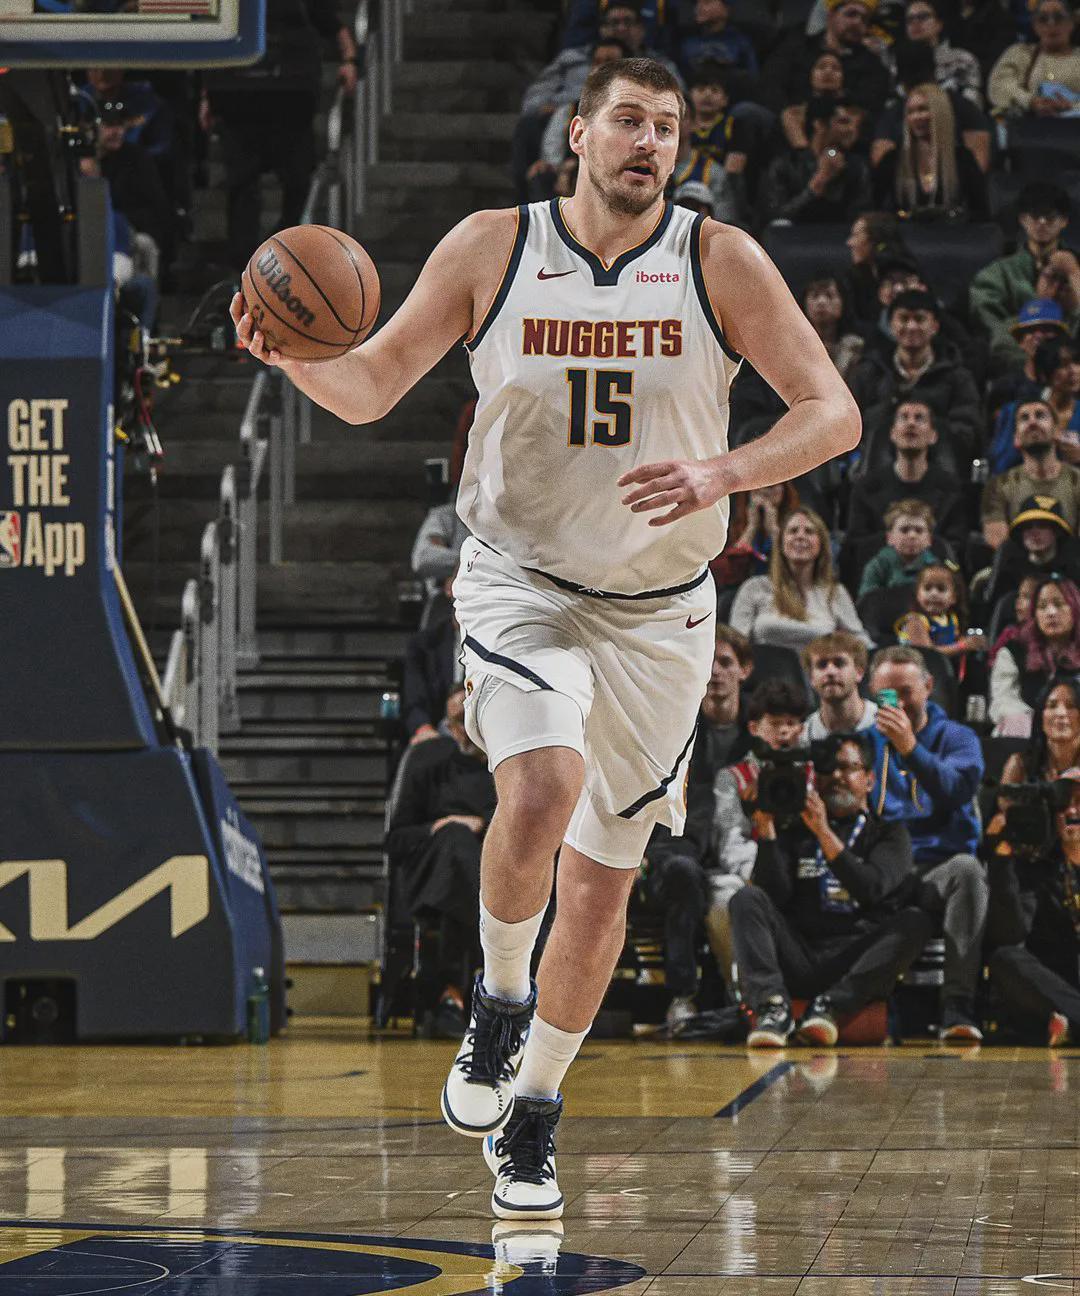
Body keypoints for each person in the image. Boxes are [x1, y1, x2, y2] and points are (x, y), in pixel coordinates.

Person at [233, 55, 860, 1219]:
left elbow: (834, 412)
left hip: (661, 615)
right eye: (629, 120)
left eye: (668, 127)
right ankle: (500, 1001)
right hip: (521, 581)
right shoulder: (493, 246)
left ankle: (535, 1110)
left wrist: (725, 470)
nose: (650, 142)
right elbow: (370, 387)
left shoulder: (718, 259)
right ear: (578, 133)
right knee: (541, 785)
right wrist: (294, 356)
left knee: (604, 884)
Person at [730, 732, 933, 1047]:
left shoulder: (889, 833)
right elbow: (774, 895)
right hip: (801, 953)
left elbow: (871, 888)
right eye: (828, 769)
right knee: (747, 898)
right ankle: (772, 1007)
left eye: (848, 768)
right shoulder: (794, 829)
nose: (837, 776)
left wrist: (823, 832)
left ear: (869, 780)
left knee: (915, 921)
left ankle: (831, 1006)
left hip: (854, 959)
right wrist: (767, 830)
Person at [867, 646, 988, 1039]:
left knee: (968, 871)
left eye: (906, 692)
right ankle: (858, 1004)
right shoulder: (867, 741)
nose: (899, 704)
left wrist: (911, 749)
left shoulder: (959, 737)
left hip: (937, 866)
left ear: (928, 686)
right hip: (885, 870)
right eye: (888, 695)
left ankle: (958, 1007)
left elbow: (955, 789)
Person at [642, 624, 754, 1027]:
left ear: (745, 670)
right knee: (682, 871)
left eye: (725, 662)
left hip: (741, 844)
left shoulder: (762, 728)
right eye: (706, 661)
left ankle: (756, 1000)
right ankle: (682, 995)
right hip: (680, 850)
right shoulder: (674, 727)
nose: (714, 672)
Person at [203, 0, 358, 272]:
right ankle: (244, 266)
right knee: (241, 187)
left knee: (298, 181)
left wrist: (349, 60)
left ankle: (282, 251)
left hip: (291, 103)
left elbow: (332, 24)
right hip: (240, 104)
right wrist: (207, 96)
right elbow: (214, 39)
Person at [385, 686, 499, 1036]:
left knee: (469, 869)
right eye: (458, 721)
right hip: (432, 873)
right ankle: (492, 984)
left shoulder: (509, 771)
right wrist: (438, 827)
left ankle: (453, 995)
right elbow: (396, 840)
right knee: (456, 848)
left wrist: (481, 825)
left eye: (473, 718)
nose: (467, 729)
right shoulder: (426, 763)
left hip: (490, 870)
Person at [987, 758, 1080, 1044]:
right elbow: (1011, 933)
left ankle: (1071, 1025)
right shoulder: (1037, 866)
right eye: (1064, 804)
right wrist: (1001, 859)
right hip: (1057, 986)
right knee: (1005, 960)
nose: (1072, 811)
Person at [848, 290, 983, 478]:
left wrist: (923, 428)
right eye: (904, 319)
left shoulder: (957, 377)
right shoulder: (869, 372)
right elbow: (850, 425)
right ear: (891, 324)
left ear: (935, 326)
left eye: (919, 319)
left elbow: (967, 432)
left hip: (940, 472)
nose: (911, 326)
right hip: (875, 472)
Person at [730, 507, 872, 651]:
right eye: (793, 531)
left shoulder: (835, 592)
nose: (800, 536)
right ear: (781, 544)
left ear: (821, 544)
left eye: (809, 531)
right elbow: (736, 645)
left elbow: (861, 641)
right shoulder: (754, 588)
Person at [970, 182, 1073, 367]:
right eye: (1035, 216)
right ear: (1022, 220)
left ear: (1064, 221)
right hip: (1016, 361)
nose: (1042, 223)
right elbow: (992, 329)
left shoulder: (1075, 270)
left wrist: (1074, 275)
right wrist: (1040, 306)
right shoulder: (995, 274)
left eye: (1050, 217)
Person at [845, 400, 969, 549]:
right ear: (892, 433)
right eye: (904, 417)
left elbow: (956, 547)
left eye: (919, 418)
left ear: (933, 436)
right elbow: (856, 546)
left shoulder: (951, 489)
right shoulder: (867, 488)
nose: (911, 423)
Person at [871, 83, 988, 221]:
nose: (916, 117)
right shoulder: (892, 160)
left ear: (940, 114)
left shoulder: (962, 159)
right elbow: (873, 209)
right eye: (910, 112)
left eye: (923, 109)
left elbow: (981, 213)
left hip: (951, 233)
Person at [762, 0, 892, 119]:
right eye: (851, 14)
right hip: (785, 121)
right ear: (831, 16)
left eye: (864, 19)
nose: (857, 22)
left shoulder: (872, 65)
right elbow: (770, 84)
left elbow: (868, 106)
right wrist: (789, 117)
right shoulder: (798, 45)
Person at [982, 399, 1080, 548]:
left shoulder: (1077, 481)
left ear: (1057, 432)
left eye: (1040, 416)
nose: (1032, 422)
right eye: (1024, 418)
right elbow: (998, 546)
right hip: (1016, 561)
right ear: (1016, 439)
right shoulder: (997, 486)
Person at [990, 576, 1080, 733]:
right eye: (1042, 606)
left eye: (1059, 604)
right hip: (1027, 731)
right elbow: (1003, 701)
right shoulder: (1014, 651)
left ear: (1075, 607)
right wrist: (1042, 723)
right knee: (1013, 722)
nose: (1051, 613)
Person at [761, 97, 871, 225]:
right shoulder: (786, 165)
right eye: (843, 122)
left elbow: (861, 215)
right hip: (795, 234)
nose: (851, 129)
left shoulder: (856, 166)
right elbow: (775, 217)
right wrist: (817, 184)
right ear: (819, 124)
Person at [988, 0, 1080, 119]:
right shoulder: (1019, 53)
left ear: (1071, 23)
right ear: (1035, 26)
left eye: (1059, 18)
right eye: (1043, 19)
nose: (1051, 24)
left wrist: (1072, 106)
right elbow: (999, 86)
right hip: (1027, 125)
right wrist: (1030, 101)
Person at [984, 498, 1080, 609]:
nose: (1035, 533)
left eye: (1042, 526)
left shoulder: (1074, 569)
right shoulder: (1008, 573)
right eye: (1027, 527)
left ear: (1057, 531)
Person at [986, 298, 1069, 423]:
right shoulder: (1005, 389)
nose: (1038, 336)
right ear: (1021, 342)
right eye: (1030, 331)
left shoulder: (1073, 384)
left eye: (1046, 330)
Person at [710, 481, 799, 587]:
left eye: (772, 486)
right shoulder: (729, 524)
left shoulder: (798, 524)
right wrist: (751, 528)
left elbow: (798, 569)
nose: (765, 490)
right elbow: (721, 574)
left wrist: (773, 530)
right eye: (760, 485)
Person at [895, 0, 984, 105]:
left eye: (923, 17)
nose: (915, 22)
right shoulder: (896, 65)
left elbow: (972, 102)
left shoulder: (962, 59)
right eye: (910, 20)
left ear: (939, 24)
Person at [802, 631, 880, 740]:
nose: (830, 672)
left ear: (859, 672)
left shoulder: (885, 723)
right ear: (811, 678)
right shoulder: (802, 737)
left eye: (839, 663)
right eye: (822, 665)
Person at [858, 499, 939, 597]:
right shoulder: (877, 566)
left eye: (919, 530)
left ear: (929, 539)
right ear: (890, 538)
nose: (912, 536)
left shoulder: (937, 568)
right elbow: (867, 600)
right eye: (904, 530)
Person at [896, 563, 976, 659]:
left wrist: (971, 642)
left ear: (954, 597)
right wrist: (962, 646)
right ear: (918, 595)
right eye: (927, 588)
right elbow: (927, 653)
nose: (933, 594)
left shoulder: (951, 618)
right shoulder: (915, 621)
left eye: (941, 589)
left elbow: (956, 641)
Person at [844, 209, 906, 323]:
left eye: (855, 236)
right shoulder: (854, 276)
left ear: (874, 241)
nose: (849, 242)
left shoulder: (905, 274)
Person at [780, 50, 846, 151]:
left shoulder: (850, 115)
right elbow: (801, 152)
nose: (828, 72)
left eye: (836, 68)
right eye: (821, 67)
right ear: (811, 75)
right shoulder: (792, 114)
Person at [803, 275, 865, 382]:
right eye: (815, 295)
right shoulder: (794, 345)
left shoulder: (857, 346)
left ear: (843, 302)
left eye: (829, 295)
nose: (821, 302)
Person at [678, 0, 758, 79]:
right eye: (696, 3)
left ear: (726, 9)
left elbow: (752, 77)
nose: (698, 7)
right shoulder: (687, 42)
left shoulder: (740, 42)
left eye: (707, 2)